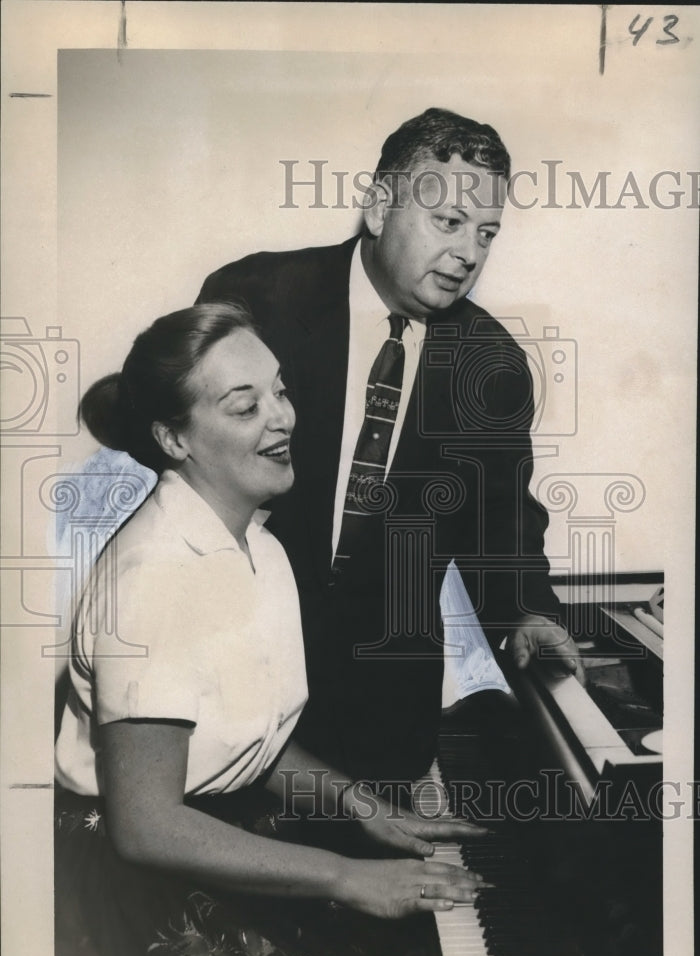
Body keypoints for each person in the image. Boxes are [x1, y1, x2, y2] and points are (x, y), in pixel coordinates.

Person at [53, 301, 487, 956]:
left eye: (279, 390)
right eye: (244, 405)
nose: (282, 416)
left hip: (216, 828)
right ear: (175, 439)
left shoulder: (261, 546)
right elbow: (146, 827)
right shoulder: (153, 578)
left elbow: (241, 737)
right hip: (134, 875)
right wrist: (348, 876)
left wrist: (362, 805)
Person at [195, 108, 582, 784]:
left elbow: (501, 520)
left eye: (487, 233)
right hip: (231, 673)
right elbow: (178, 457)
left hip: (379, 710)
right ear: (379, 208)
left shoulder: (491, 365)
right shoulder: (255, 298)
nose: (469, 253)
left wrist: (528, 610)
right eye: (450, 223)